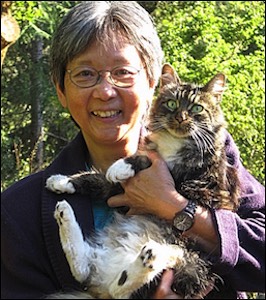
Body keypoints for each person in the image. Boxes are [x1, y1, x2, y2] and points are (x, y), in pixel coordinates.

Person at [1, 1, 264, 299]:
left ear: (153, 84)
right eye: (85, 74)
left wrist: (180, 209)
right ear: (61, 90)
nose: (105, 91)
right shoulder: (17, 213)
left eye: (123, 72)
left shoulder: (212, 155)